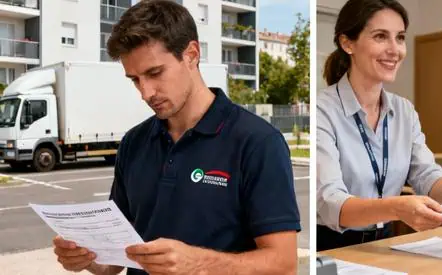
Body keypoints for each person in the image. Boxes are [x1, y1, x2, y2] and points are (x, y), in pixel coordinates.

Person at [50, 2, 301, 274]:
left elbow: (283, 264)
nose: (146, 93)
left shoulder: (258, 142)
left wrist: (199, 263)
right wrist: (88, 259)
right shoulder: (133, 143)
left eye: (155, 73)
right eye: (134, 79)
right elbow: (114, 262)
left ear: (192, 55)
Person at [317, 0, 442, 251]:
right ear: (347, 43)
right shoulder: (321, 110)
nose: (395, 49)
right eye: (381, 36)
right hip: (331, 246)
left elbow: (425, 175)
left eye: (400, 38)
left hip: (388, 243)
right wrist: (396, 207)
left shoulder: (403, 111)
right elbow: (330, 202)